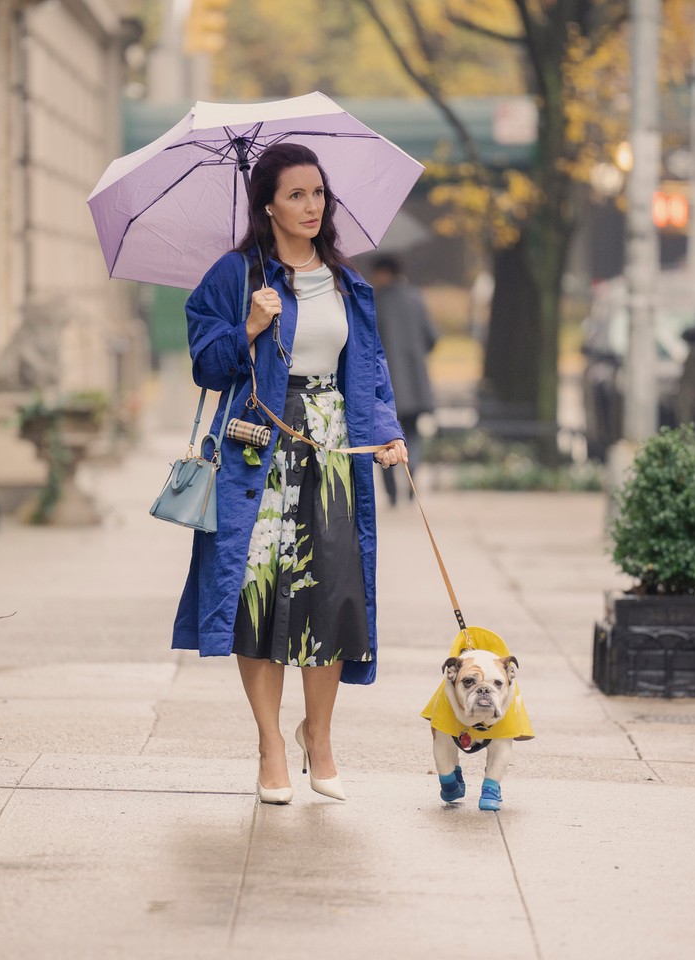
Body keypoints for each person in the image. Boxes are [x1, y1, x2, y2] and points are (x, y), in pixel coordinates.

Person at [171, 142, 408, 805]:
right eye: (296, 194)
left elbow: (369, 365)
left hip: (331, 447)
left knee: (333, 593)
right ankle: (270, 744)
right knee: (259, 593)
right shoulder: (234, 274)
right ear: (268, 203)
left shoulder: (345, 279)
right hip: (259, 450)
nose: (311, 206)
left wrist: (387, 432)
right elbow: (207, 367)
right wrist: (248, 324)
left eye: (318, 193)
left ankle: (320, 737)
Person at [369, 254, 438, 505]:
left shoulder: (376, 302)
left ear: (385, 273)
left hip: (386, 385)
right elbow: (432, 337)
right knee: (413, 433)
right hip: (415, 382)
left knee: (384, 439)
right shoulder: (416, 298)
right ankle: (413, 472)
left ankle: (393, 494)